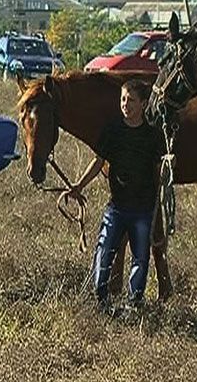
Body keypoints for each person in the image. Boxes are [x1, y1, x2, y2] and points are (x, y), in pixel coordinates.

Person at [65, 79, 162, 311]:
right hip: (116, 207)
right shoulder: (112, 130)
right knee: (104, 250)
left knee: (140, 258)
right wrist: (79, 185)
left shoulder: (153, 136)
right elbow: (98, 161)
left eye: (131, 100)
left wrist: (167, 176)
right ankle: (100, 299)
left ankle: (134, 303)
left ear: (144, 104)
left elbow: (160, 171)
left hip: (142, 210)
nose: (125, 104)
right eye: (122, 99)